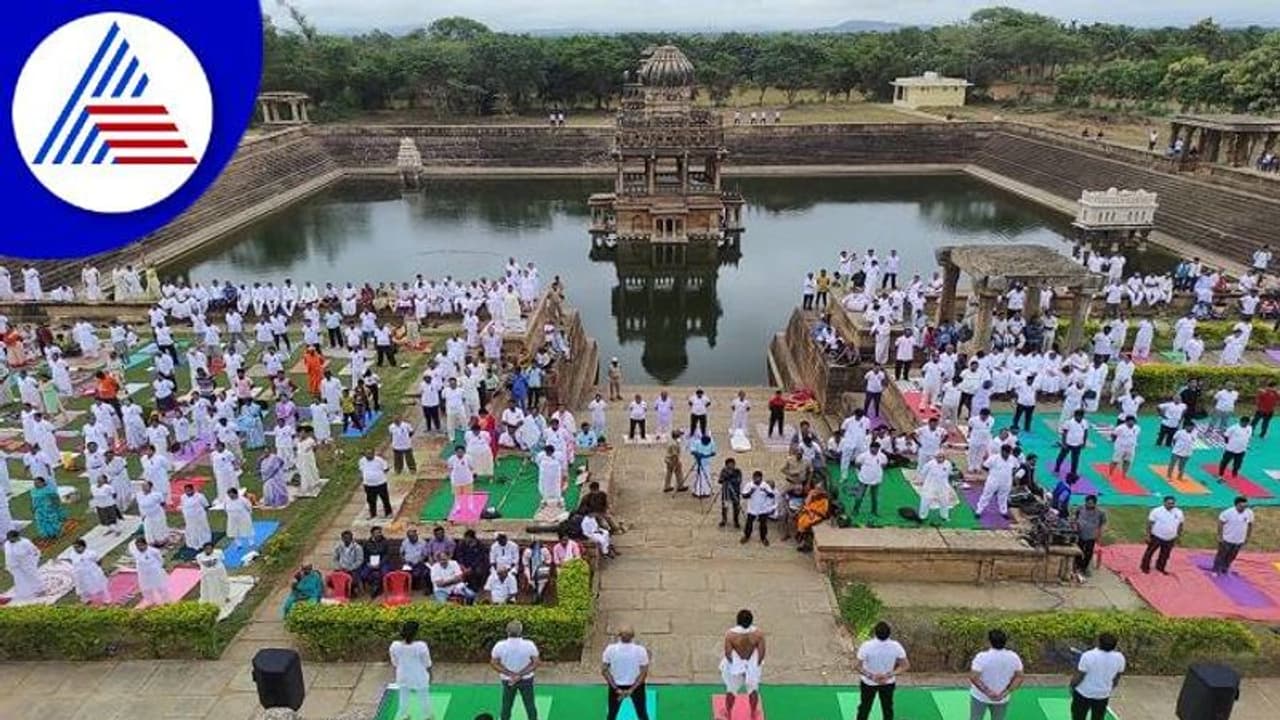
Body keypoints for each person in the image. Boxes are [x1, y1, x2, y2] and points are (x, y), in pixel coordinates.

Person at [854, 621, 909, 720]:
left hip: (868, 683)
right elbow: (905, 665)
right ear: (889, 633)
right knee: (887, 709)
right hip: (887, 683)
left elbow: (858, 666)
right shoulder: (896, 646)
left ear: (875, 632)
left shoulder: (866, 646)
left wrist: (872, 676)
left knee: (864, 708)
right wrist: (889, 675)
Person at [968, 628, 1024, 720]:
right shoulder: (1014, 657)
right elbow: (1019, 677)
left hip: (980, 697)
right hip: (1002, 698)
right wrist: (1006, 692)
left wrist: (988, 692)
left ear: (989, 642)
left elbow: (974, 677)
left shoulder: (981, 657)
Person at [720, 609, 766, 720]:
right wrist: (754, 667)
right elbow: (761, 653)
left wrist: (737, 667)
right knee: (753, 690)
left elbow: (728, 653)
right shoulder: (758, 634)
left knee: (731, 690)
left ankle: (729, 713)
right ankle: (753, 713)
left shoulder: (730, 635)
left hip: (736, 666)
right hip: (751, 665)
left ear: (737, 621)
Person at [491, 620, 541, 720]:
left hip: (508, 680)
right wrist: (520, 675)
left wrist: (510, 674)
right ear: (521, 631)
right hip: (526, 679)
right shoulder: (529, 645)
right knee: (530, 705)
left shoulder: (499, 645)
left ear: (507, 631)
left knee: (506, 706)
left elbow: (494, 663)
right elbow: (536, 663)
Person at [1069, 633, 1125, 720]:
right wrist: (1108, 688)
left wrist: (1072, 686)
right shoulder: (1120, 658)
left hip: (1083, 694)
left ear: (1098, 642)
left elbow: (1079, 676)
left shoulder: (1088, 656)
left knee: (1078, 717)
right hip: (1102, 695)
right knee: (1098, 718)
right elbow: (1117, 678)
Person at [603, 626, 651, 720]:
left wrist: (616, 689)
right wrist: (631, 690)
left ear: (619, 636)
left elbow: (604, 670)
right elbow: (644, 673)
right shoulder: (640, 650)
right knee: (642, 713)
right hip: (637, 687)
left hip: (616, 686)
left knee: (612, 714)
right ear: (633, 636)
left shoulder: (610, 649)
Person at [390, 621, 434, 720]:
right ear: (416, 633)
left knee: (403, 696)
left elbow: (395, 663)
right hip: (419, 676)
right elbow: (427, 663)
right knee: (423, 697)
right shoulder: (421, 646)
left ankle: (403, 716)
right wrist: (430, 675)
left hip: (403, 676)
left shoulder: (394, 646)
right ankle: (427, 716)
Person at [1140, 495, 1183, 574]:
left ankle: (1160, 567)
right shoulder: (1156, 511)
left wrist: (1178, 536)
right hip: (1157, 536)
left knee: (1165, 555)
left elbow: (1180, 524)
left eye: (1173, 503)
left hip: (1170, 538)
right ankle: (1144, 567)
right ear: (1164, 503)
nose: (1171, 505)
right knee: (1150, 552)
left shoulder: (1178, 512)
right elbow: (1150, 523)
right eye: (1169, 503)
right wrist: (1147, 535)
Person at [1213, 496, 1254, 576]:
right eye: (1242, 506)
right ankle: (1216, 569)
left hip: (1239, 540)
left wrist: (1247, 536)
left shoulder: (1249, 513)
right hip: (1227, 539)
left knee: (1232, 556)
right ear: (1237, 505)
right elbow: (1220, 523)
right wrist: (1220, 536)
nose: (1244, 508)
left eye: (1245, 506)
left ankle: (1225, 568)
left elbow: (1250, 524)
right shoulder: (1228, 512)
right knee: (1221, 555)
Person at [1073, 495, 1106, 582]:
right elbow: (1075, 518)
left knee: (1088, 552)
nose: (1088, 504)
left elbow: (1103, 524)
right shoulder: (1080, 508)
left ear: (1094, 504)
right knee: (1078, 550)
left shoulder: (1100, 512)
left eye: (1090, 503)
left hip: (1091, 536)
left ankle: (1084, 567)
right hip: (1080, 534)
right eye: (1087, 502)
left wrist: (1100, 535)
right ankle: (1078, 565)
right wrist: (1075, 526)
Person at [68, 538, 111, 604]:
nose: (76, 549)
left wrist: (96, 569)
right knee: (83, 588)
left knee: (100, 585)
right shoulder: (72, 554)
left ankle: (106, 599)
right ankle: (86, 600)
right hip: (80, 574)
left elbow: (98, 561)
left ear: (83, 546)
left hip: (93, 573)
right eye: (74, 548)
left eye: (78, 547)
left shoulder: (91, 553)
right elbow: (72, 563)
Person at [4, 530, 41, 601]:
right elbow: (8, 556)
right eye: (9, 539)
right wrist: (8, 565)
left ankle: (39, 590)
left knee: (32, 575)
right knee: (19, 578)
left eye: (12, 538)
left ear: (16, 537)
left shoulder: (25, 542)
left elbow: (33, 550)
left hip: (26, 562)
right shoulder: (7, 544)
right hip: (14, 565)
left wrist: (35, 557)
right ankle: (26, 592)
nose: (10, 540)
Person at [131, 536, 169, 605]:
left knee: (160, 586)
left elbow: (160, 560)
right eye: (138, 546)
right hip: (143, 573)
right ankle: (150, 601)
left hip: (154, 571)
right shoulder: (136, 552)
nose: (140, 548)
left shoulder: (153, 551)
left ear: (145, 544)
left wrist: (157, 567)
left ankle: (165, 601)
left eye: (141, 545)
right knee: (146, 588)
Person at [741, 471, 775, 546]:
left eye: (758, 478)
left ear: (761, 478)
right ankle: (746, 536)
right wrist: (750, 492)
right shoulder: (749, 485)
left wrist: (765, 491)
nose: (756, 480)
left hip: (762, 509)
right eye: (755, 478)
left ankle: (763, 538)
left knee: (763, 524)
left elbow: (772, 495)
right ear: (753, 478)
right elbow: (744, 496)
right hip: (752, 508)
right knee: (749, 523)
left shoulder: (765, 485)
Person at [195, 541, 230, 609]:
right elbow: (201, 564)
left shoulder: (218, 553)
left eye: (210, 548)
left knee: (223, 585)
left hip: (219, 573)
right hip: (208, 576)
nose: (208, 550)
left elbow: (221, 560)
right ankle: (210, 601)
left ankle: (224, 597)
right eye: (206, 549)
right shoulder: (199, 556)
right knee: (209, 588)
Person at [360, 448, 393, 518]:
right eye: (367, 454)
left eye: (370, 454)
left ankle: (388, 513)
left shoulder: (379, 460)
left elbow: (386, 469)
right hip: (368, 485)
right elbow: (361, 470)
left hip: (380, 484)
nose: (369, 456)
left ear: (373, 454)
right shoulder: (362, 461)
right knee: (371, 500)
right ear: (365, 455)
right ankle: (373, 514)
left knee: (385, 499)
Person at [1219, 415, 1253, 480]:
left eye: (1247, 423)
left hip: (1242, 450)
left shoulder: (1249, 428)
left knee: (1238, 464)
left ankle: (1234, 472)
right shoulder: (1233, 428)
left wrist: (1245, 444)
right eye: (1244, 423)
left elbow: (1248, 437)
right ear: (1241, 422)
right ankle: (1220, 474)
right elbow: (1226, 435)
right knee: (1224, 462)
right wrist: (1228, 443)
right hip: (1230, 450)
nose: (1245, 425)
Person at [224, 487, 255, 553]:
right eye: (229, 495)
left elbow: (249, 507)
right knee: (234, 531)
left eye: (232, 495)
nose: (231, 497)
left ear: (236, 494)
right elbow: (225, 508)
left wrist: (248, 514)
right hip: (232, 518)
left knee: (247, 529)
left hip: (243, 517)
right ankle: (238, 544)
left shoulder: (243, 500)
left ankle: (251, 543)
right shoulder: (227, 500)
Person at [718, 458, 743, 529]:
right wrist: (725, 478)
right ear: (726, 465)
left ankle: (736, 521)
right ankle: (724, 519)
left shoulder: (738, 471)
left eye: (732, 464)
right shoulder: (724, 471)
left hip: (735, 492)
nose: (731, 466)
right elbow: (720, 480)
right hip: (726, 493)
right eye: (729, 465)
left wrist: (731, 478)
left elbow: (739, 481)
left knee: (736, 507)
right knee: (725, 507)